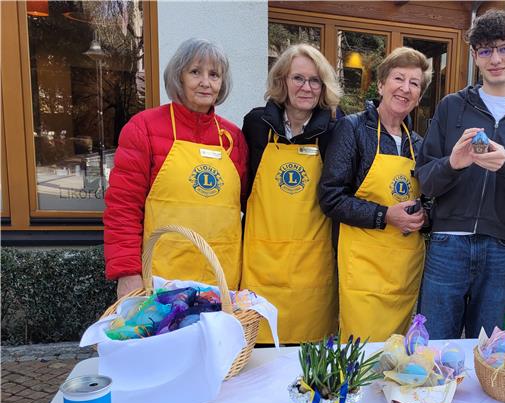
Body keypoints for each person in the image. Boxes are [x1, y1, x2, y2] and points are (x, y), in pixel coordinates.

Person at [416, 10, 505, 339]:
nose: (495, 59)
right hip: (447, 243)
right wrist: (452, 163)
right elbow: (426, 179)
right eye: (485, 50)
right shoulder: (452, 106)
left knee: (490, 348)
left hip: (503, 246)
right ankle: (436, 394)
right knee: (435, 342)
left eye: (504, 49)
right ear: (475, 56)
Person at [104, 38, 248, 298]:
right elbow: (122, 208)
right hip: (160, 282)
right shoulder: (143, 128)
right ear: (178, 77)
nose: (206, 82)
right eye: (195, 72)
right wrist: (127, 273)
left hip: (222, 281)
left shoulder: (233, 138)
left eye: (214, 74)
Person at [319, 47, 431, 342]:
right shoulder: (352, 129)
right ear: (381, 84)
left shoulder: (418, 144)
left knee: (396, 355)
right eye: (398, 78)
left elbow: (431, 198)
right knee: (361, 352)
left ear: (419, 95)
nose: (405, 88)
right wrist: (385, 215)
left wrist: (424, 215)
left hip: (403, 272)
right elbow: (331, 198)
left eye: (415, 83)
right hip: (363, 272)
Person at [241, 44, 342, 345]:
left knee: (308, 360)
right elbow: (243, 187)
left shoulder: (335, 129)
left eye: (315, 81)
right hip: (261, 263)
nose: (306, 87)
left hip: (313, 264)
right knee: (259, 356)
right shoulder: (256, 125)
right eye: (298, 78)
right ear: (282, 80)